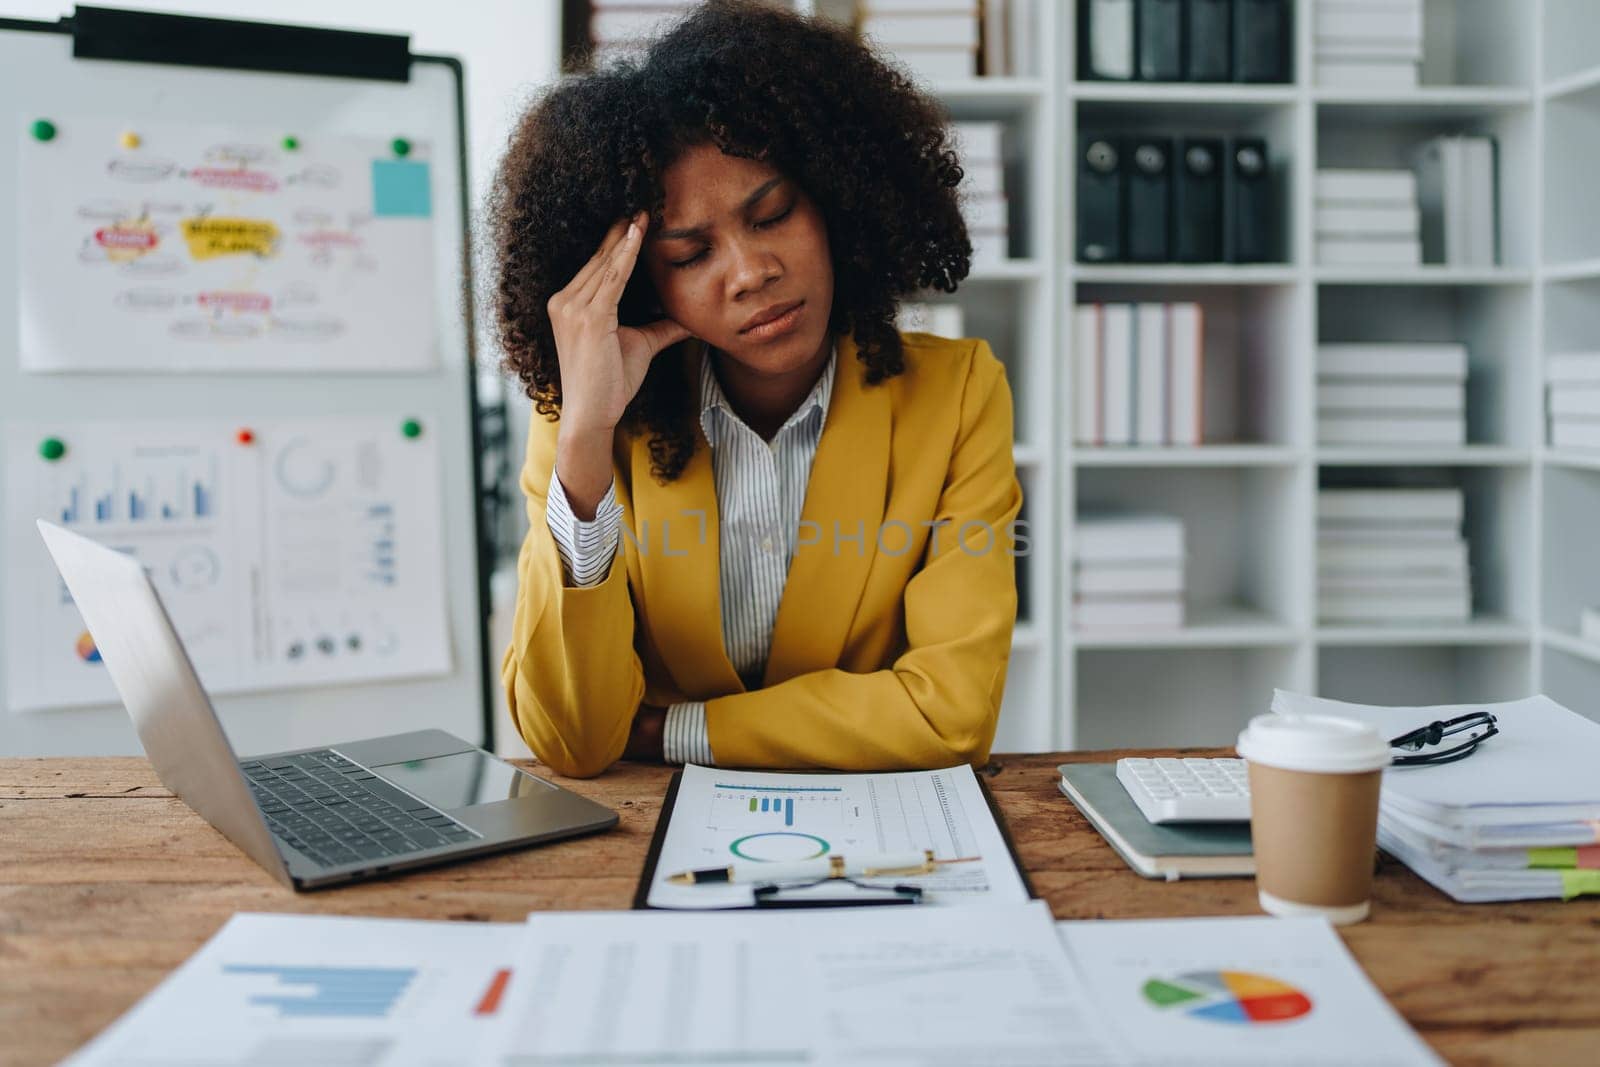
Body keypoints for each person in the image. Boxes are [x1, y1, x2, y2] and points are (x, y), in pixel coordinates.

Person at [491, 0, 1022, 777]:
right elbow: (572, 739)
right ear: (642, 286)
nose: (751, 273)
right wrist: (584, 443)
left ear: (838, 199)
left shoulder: (957, 396)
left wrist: (672, 731)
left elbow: (950, 716)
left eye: (772, 213)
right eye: (689, 253)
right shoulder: (589, 422)